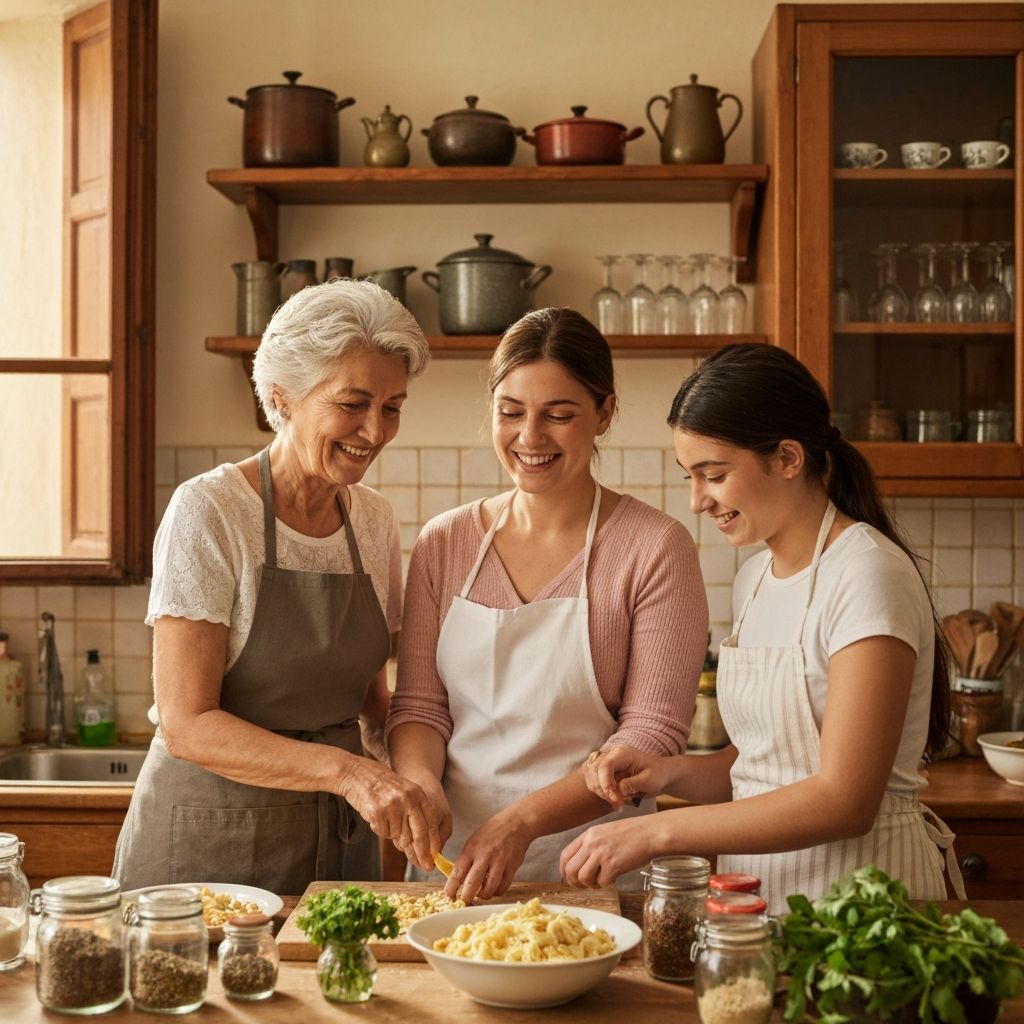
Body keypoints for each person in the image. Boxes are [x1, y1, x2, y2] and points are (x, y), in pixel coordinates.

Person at [560, 343, 966, 912]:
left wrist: (656, 833)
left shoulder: (867, 573)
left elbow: (845, 798)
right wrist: (669, 772)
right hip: (760, 906)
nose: (698, 501)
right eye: (690, 477)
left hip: (865, 906)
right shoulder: (754, 578)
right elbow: (761, 767)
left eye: (715, 475)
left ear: (788, 458)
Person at [114, 280, 442, 892]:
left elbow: (369, 699)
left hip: (337, 845)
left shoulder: (372, 520)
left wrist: (418, 781)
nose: (375, 431)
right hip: (209, 844)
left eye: (392, 407)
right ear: (281, 397)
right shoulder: (209, 511)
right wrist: (349, 775)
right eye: (352, 403)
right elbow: (188, 723)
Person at [386, 307, 708, 903]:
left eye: (558, 415)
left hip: (594, 868)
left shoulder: (654, 546)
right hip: (450, 868)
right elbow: (420, 707)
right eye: (510, 413)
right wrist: (420, 783)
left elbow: (652, 735)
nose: (529, 438)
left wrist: (521, 821)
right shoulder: (446, 542)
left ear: (604, 413)